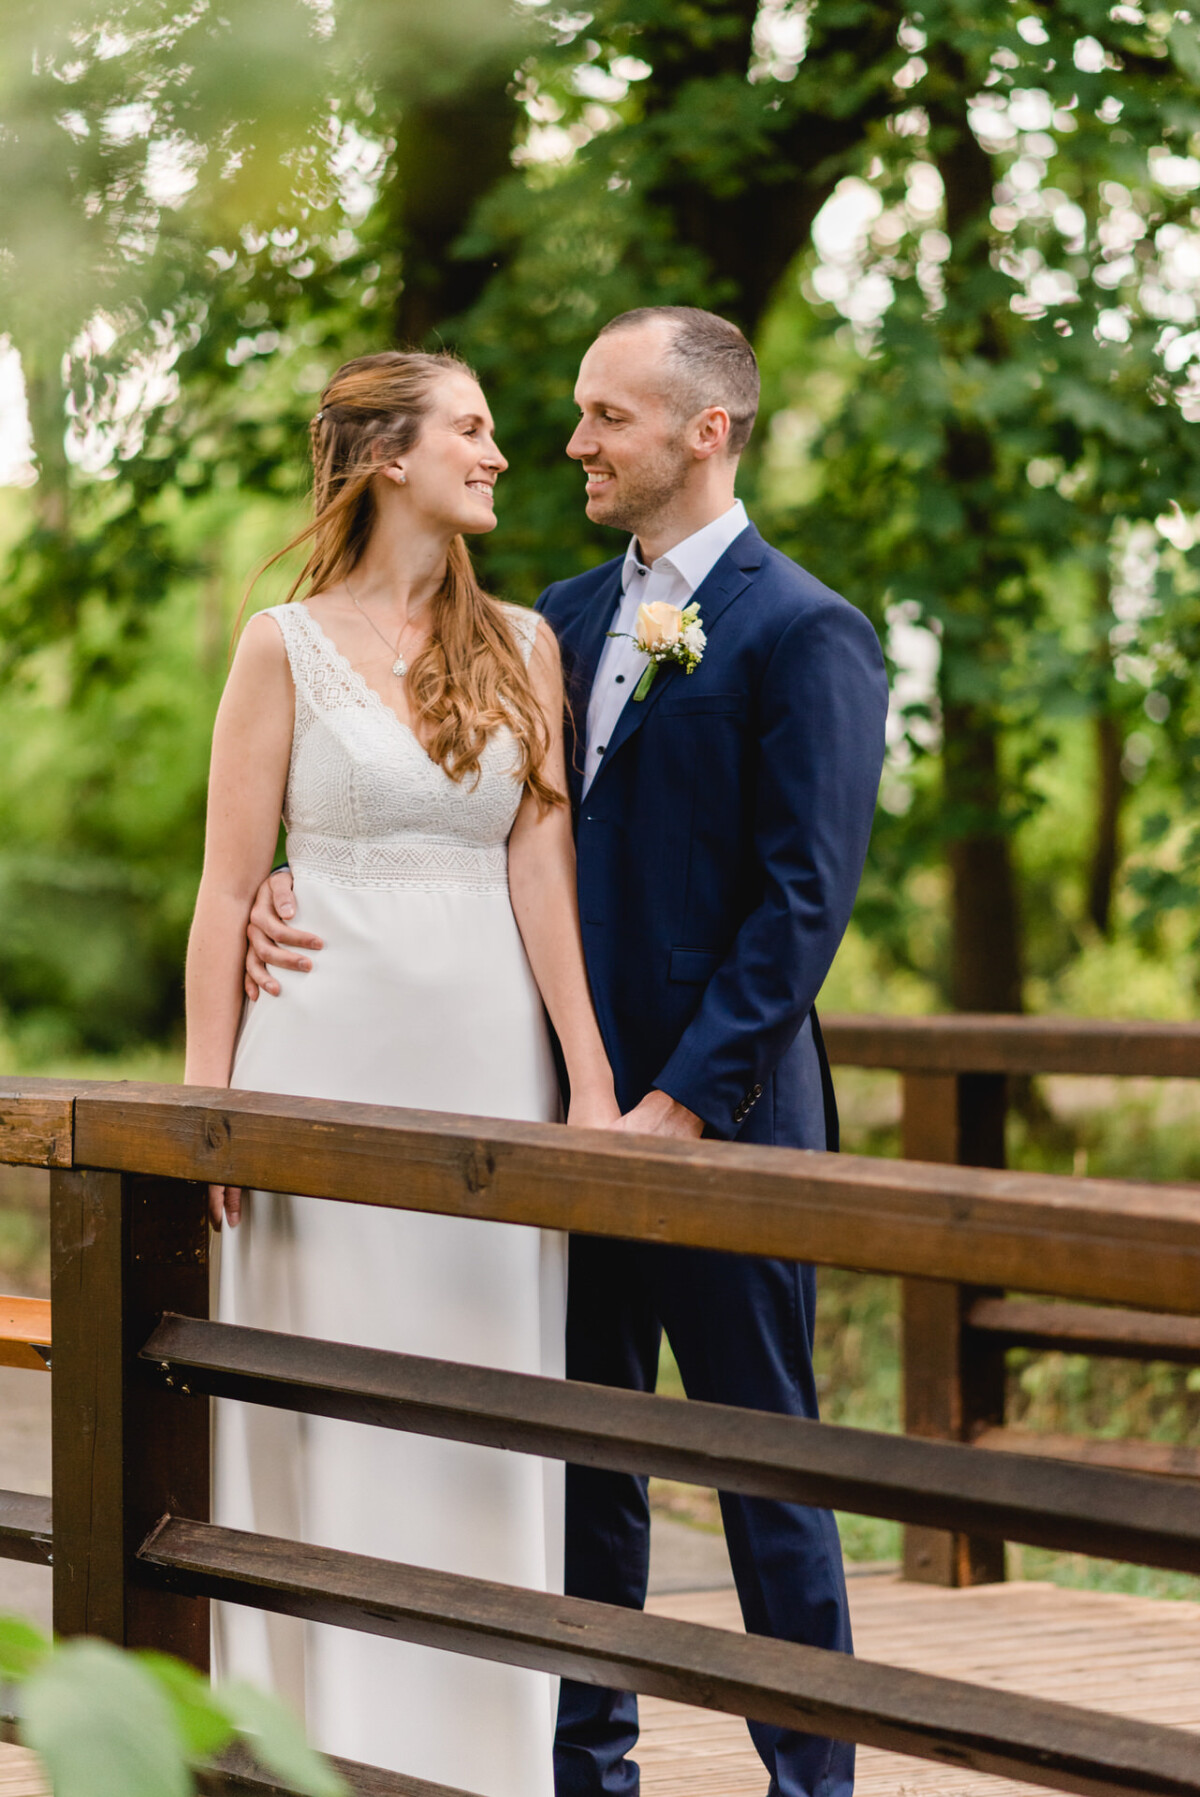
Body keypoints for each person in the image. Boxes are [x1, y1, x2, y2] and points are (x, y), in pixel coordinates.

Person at [247, 308, 889, 1797]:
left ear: (704, 431)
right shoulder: (549, 619)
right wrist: (306, 883)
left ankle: (815, 1784)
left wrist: (679, 1100)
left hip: (721, 1125)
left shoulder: (807, 630)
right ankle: (587, 1771)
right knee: (582, 1458)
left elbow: (804, 905)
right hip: (555, 1116)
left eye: (607, 416)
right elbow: (494, 844)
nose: (573, 442)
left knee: (763, 1472)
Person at [184, 349, 619, 1797]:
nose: (503, 454)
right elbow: (226, 890)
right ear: (387, 456)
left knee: (480, 1392)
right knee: (323, 1390)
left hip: (487, 1066)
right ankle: (305, 1749)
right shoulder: (281, 644)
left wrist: (591, 1079)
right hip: (318, 1056)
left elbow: (540, 860)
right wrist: (210, 1109)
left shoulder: (526, 644)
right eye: (475, 430)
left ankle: (478, 1759)